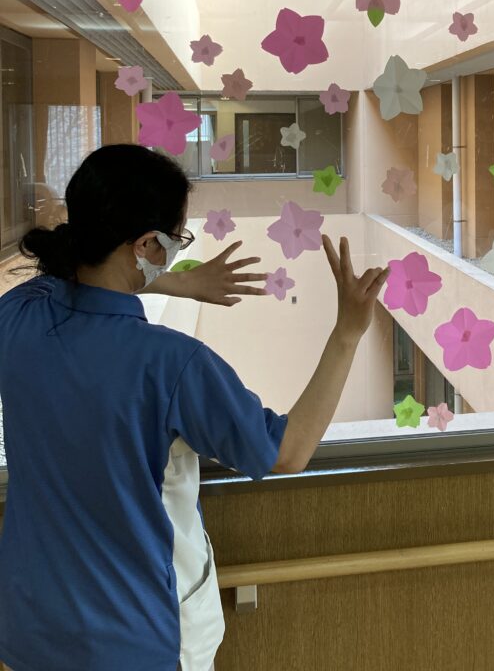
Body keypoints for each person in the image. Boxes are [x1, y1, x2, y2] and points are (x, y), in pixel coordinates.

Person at [0, 144, 388, 671]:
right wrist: (348, 332)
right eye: (174, 240)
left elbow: (71, 277)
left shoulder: (17, 317)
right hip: (135, 643)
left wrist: (175, 280)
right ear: (145, 244)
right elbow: (287, 452)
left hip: (29, 630)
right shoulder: (171, 365)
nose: (175, 252)